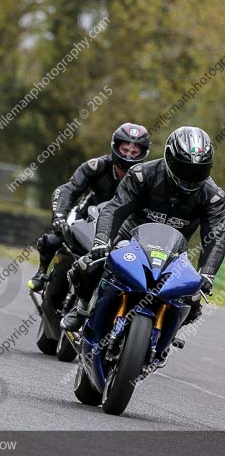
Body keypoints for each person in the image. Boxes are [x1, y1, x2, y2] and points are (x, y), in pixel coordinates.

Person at [62, 126, 225, 331]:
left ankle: (166, 334)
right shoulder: (142, 174)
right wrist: (101, 241)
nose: (190, 176)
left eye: (198, 170)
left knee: (193, 299)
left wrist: (207, 274)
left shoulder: (213, 196)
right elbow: (114, 209)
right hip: (129, 239)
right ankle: (82, 308)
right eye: (185, 168)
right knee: (88, 265)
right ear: (170, 159)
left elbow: (217, 235)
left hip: (173, 252)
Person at [28, 123, 151, 292]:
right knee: (53, 238)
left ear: (142, 153)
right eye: (125, 149)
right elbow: (67, 190)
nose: (129, 154)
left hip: (119, 227)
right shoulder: (96, 166)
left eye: (134, 151)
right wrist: (59, 217)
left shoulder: (145, 179)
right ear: (116, 147)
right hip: (84, 217)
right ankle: (41, 272)